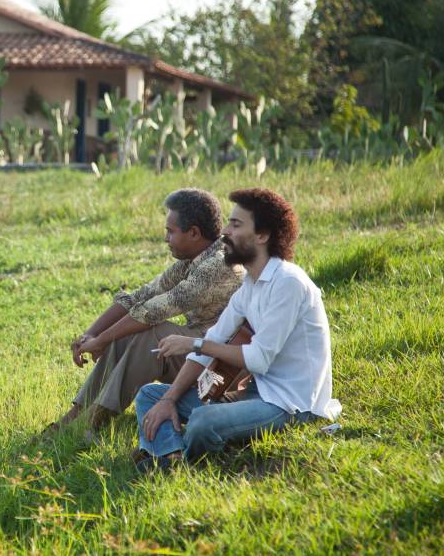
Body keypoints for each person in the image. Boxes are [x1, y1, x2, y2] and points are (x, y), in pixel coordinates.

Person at [134, 188, 341, 471]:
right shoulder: (251, 285)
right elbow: (214, 339)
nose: (225, 233)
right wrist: (169, 399)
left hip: (292, 406)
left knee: (203, 422)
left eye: (235, 224)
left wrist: (193, 344)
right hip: (257, 392)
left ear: (262, 235)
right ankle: (170, 458)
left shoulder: (288, 283)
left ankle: (169, 457)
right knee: (151, 395)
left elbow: (258, 359)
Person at [50, 189, 245, 434]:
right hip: (198, 352)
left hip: (223, 369)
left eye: (170, 231)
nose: (166, 239)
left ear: (194, 233)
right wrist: (89, 336)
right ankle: (76, 415)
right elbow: (139, 298)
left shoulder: (219, 264)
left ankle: (94, 420)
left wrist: (101, 340)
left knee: (153, 334)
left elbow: (153, 311)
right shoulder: (190, 262)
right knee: (130, 331)